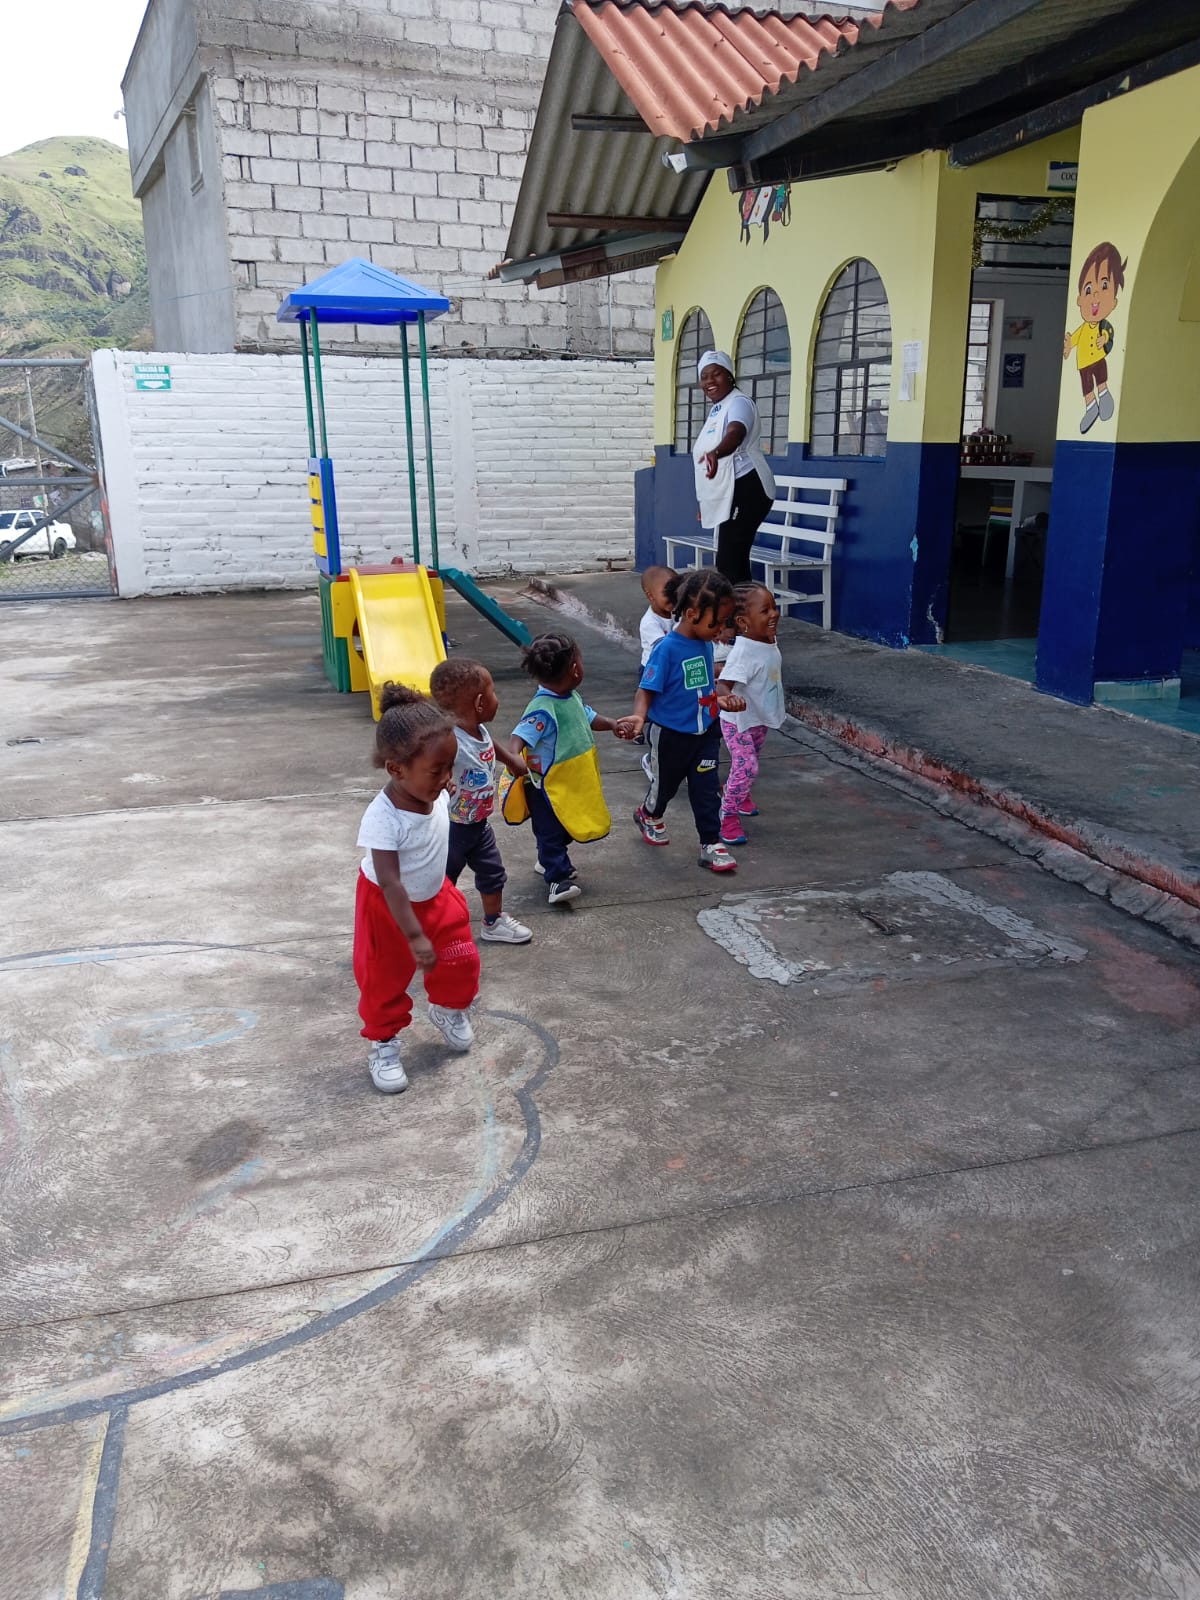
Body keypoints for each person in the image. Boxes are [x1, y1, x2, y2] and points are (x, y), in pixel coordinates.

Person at [353, 682, 480, 1094]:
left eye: (449, 768)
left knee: (461, 960)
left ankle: (447, 1008)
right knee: (383, 979)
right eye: (437, 771)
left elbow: (439, 806)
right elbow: (390, 882)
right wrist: (413, 935)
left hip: (436, 896)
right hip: (388, 909)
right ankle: (384, 1042)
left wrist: (447, 787)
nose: (446, 779)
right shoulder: (383, 818)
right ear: (396, 769)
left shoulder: (432, 791)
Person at [616, 568, 746, 874]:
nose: (721, 630)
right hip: (671, 736)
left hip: (705, 732)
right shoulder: (666, 649)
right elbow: (646, 689)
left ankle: (711, 844)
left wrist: (720, 699)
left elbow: (700, 687)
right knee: (665, 787)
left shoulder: (705, 643)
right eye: (716, 623)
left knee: (706, 790)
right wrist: (639, 716)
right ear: (691, 614)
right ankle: (649, 813)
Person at [509, 631, 623, 905]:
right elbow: (519, 736)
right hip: (546, 786)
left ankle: (547, 859)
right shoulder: (542, 708)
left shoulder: (571, 698)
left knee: (565, 826)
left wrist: (612, 724)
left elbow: (589, 717)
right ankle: (557, 880)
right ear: (574, 670)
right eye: (580, 660)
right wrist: (513, 757)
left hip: (571, 780)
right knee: (550, 831)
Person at [429, 657, 532, 946]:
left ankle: (493, 921)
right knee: (442, 880)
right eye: (493, 692)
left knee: (493, 872)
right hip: (452, 829)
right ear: (479, 703)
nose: (497, 699)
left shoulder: (478, 729)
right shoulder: (449, 740)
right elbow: (427, 765)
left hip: (478, 825)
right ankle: (431, 927)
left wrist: (510, 759)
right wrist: (440, 783)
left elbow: (489, 745)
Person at [692, 349, 776, 584]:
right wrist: (706, 501)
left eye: (716, 374)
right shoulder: (718, 408)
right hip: (730, 490)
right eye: (704, 376)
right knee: (731, 560)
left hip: (749, 486)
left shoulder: (739, 403)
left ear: (730, 375)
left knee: (730, 560)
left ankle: (740, 606)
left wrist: (717, 452)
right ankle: (742, 605)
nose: (709, 381)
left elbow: (735, 433)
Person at [716, 582, 784, 846]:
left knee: (747, 765)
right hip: (738, 721)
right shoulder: (744, 651)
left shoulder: (767, 638)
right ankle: (727, 815)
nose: (774, 614)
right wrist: (727, 698)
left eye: (774, 607)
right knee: (747, 766)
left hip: (758, 717)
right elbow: (723, 684)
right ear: (743, 622)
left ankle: (740, 794)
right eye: (765, 611)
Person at [637, 564, 676, 775]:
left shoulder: (678, 614)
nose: (673, 596)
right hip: (652, 673)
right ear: (650, 595)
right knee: (657, 716)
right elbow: (664, 650)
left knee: (671, 712)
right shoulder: (649, 622)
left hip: (673, 671)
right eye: (667, 592)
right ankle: (652, 760)